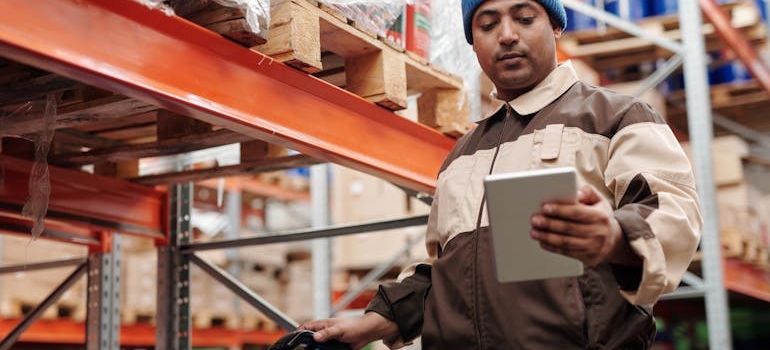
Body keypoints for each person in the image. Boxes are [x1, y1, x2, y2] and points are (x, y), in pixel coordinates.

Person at [300, 0, 703, 348]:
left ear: (556, 26)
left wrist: (615, 236)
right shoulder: (462, 154)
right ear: (473, 42)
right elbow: (448, 272)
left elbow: (673, 213)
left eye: (525, 18)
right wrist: (371, 323)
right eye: (488, 25)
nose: (507, 35)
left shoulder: (614, 117)